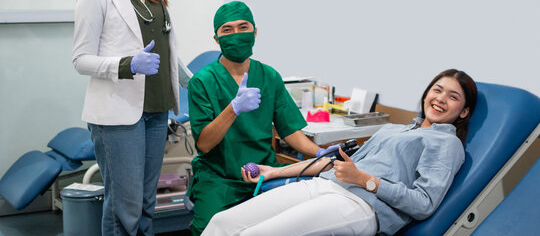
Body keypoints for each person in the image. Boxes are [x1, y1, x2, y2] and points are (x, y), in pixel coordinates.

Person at [202, 69, 478, 236]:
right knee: (223, 222)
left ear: (464, 111)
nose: (440, 98)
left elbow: (424, 204)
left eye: (453, 97)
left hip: (362, 207)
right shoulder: (394, 129)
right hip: (324, 186)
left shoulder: (446, 144)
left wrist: (367, 181)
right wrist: (274, 171)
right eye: (437, 90)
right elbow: (335, 165)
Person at [72, 0, 192, 236]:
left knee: (145, 204)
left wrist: (195, 83)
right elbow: (81, 59)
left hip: (157, 110)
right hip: (118, 113)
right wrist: (127, 65)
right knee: (124, 208)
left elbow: (167, 53)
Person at [187, 1, 339, 235]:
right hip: (219, 179)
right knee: (209, 230)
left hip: (264, 173)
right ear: (216, 38)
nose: (236, 34)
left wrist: (319, 153)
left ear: (255, 32)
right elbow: (205, 144)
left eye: (243, 27)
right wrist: (233, 109)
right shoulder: (203, 81)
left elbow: (290, 132)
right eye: (227, 30)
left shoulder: (269, 76)